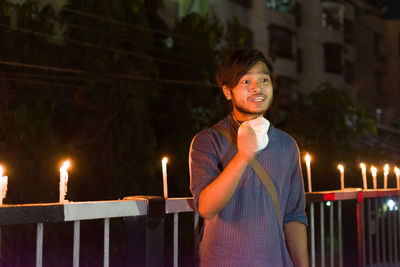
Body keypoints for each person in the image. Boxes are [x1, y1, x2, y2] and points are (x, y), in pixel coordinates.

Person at [189, 49, 309, 267]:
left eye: (264, 79)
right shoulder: (208, 141)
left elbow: (294, 216)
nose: (257, 88)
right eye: (246, 81)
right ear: (228, 91)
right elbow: (206, 207)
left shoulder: (287, 145)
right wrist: (243, 157)